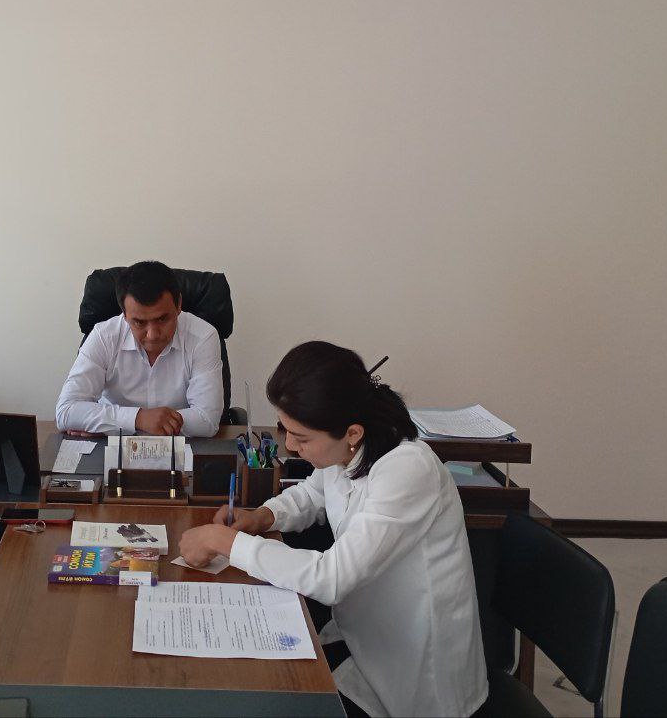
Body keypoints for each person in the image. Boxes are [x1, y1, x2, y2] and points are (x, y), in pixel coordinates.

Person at [178, 342, 487, 718]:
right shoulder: (348, 449)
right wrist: (262, 517)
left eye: (301, 437)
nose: (289, 445)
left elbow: (333, 577)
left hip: (416, 673)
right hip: (362, 642)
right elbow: (313, 494)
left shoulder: (407, 469)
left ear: (352, 432)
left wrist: (226, 542)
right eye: (285, 430)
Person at [55, 260, 223, 437]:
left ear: (179, 304)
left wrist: (109, 427)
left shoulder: (202, 337)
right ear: (124, 314)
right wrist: (138, 419)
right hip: (113, 449)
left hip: (180, 449)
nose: (153, 335)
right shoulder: (104, 336)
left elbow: (207, 420)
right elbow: (66, 411)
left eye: (162, 319)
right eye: (139, 322)